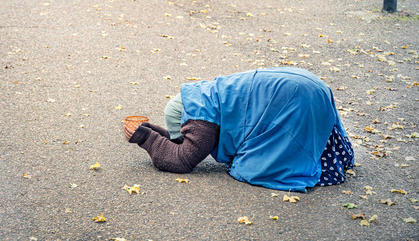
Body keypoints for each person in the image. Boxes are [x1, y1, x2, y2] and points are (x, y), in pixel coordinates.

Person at [123, 67, 354, 192]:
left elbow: (181, 160)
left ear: (187, 122)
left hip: (297, 97)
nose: (185, 136)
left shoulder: (200, 121)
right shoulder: (201, 97)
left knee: (250, 166)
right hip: (307, 83)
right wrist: (152, 129)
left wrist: (143, 137)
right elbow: (185, 142)